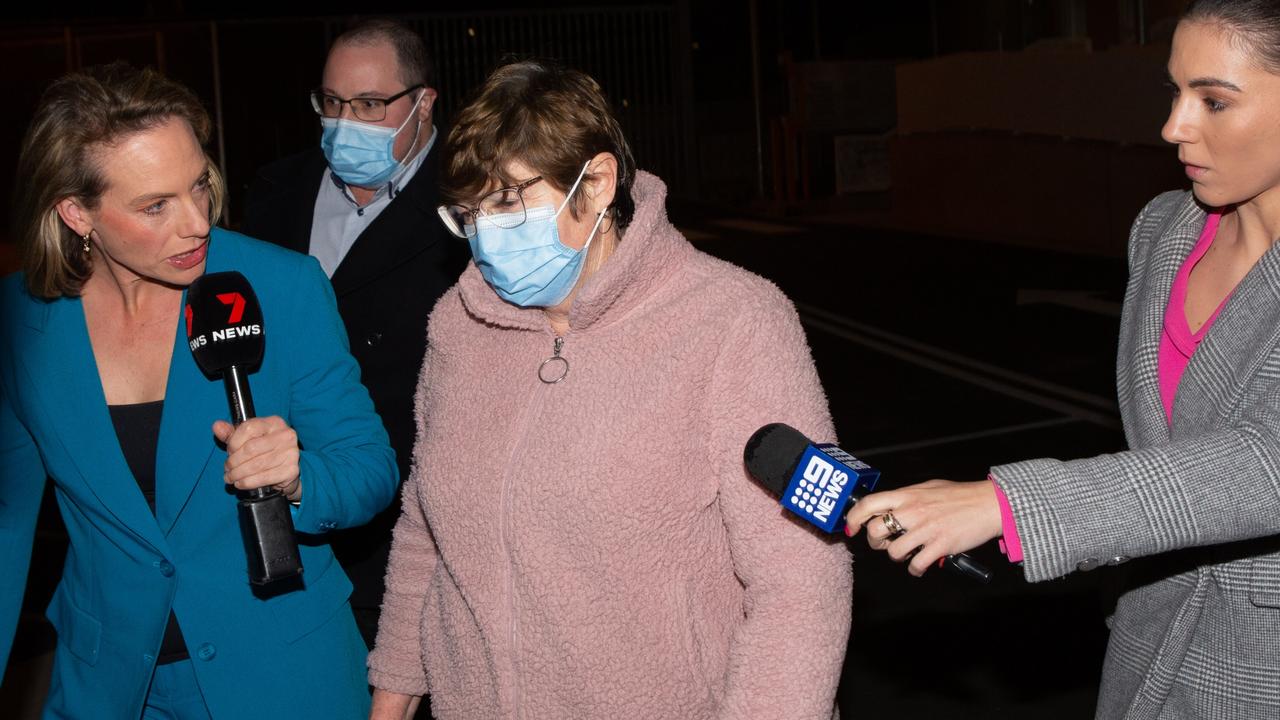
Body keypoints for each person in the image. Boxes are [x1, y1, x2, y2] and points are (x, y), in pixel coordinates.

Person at [366, 60, 851, 720]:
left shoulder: (733, 321)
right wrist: (391, 696)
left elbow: (801, 580)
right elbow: (427, 528)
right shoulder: (458, 325)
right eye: (469, 213)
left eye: (508, 203)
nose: (484, 235)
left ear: (595, 183)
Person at [846, 2, 1280, 718]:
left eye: (1213, 100)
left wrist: (1007, 503)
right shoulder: (1163, 232)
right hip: (1147, 642)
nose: (1174, 127)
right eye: (1173, 93)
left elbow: (1264, 464)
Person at [0, 63, 398, 718]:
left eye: (198, 187)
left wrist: (301, 478)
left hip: (282, 674)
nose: (196, 223)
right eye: (155, 206)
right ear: (77, 214)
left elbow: (369, 470)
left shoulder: (280, 285)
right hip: (111, 685)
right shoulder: (24, 324)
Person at [242, 19, 468, 645]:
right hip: (284, 520)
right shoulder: (274, 193)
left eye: (370, 104)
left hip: (413, 533)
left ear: (424, 103)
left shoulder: (472, 207)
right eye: (332, 103)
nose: (346, 122)